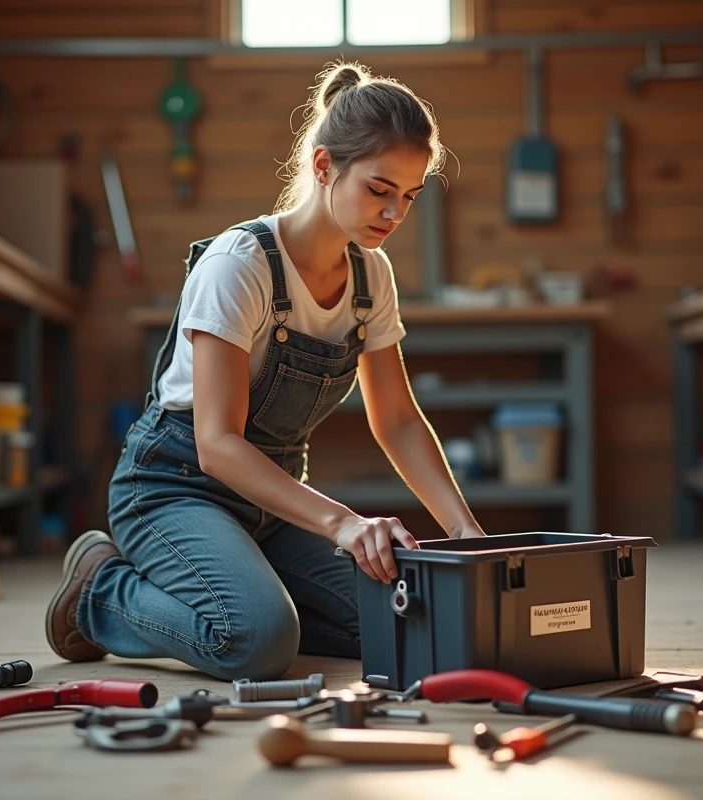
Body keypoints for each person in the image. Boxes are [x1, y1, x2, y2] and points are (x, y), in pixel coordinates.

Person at [46, 61, 486, 681]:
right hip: (173, 487)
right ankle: (101, 591)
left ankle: (246, 580)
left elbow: (400, 422)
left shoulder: (371, 279)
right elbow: (218, 446)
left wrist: (467, 532)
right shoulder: (240, 265)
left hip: (273, 503)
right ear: (325, 166)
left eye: (409, 197)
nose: (393, 214)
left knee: (399, 620)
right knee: (258, 642)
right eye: (379, 189)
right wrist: (344, 523)